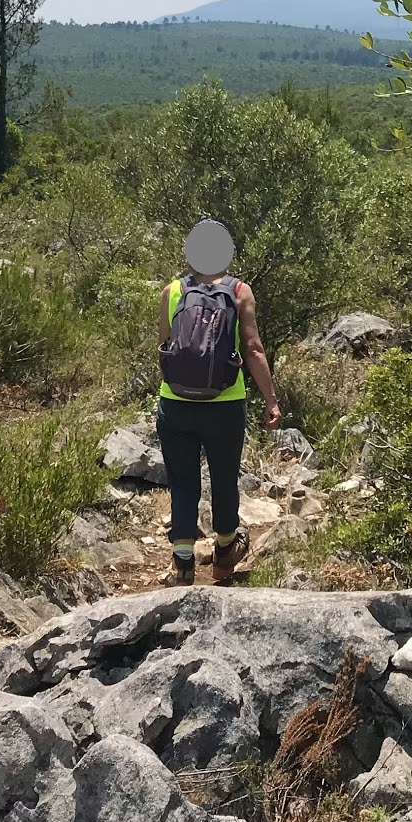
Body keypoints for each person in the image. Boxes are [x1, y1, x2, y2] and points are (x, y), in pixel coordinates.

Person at [157, 218, 280, 586]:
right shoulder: (240, 291)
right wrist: (271, 400)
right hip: (225, 403)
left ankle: (182, 562)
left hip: (175, 402)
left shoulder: (172, 291)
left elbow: (165, 348)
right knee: (224, 476)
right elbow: (254, 349)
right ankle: (225, 551)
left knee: (182, 481)